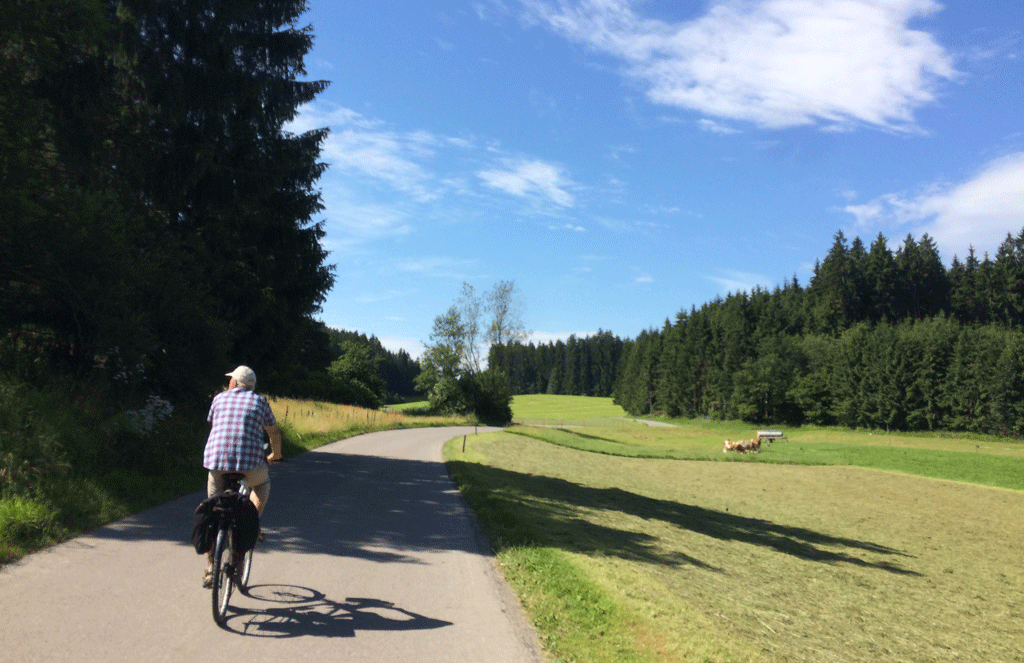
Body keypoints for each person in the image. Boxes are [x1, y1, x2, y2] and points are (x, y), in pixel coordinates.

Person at [201, 365, 282, 587]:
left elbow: (215, 424)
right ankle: (250, 527)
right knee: (262, 486)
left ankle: (210, 568)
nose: (228, 383)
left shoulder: (219, 399)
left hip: (217, 463)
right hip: (250, 464)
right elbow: (273, 431)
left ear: (235, 383)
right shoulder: (260, 401)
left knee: (212, 511)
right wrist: (276, 454)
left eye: (231, 380)